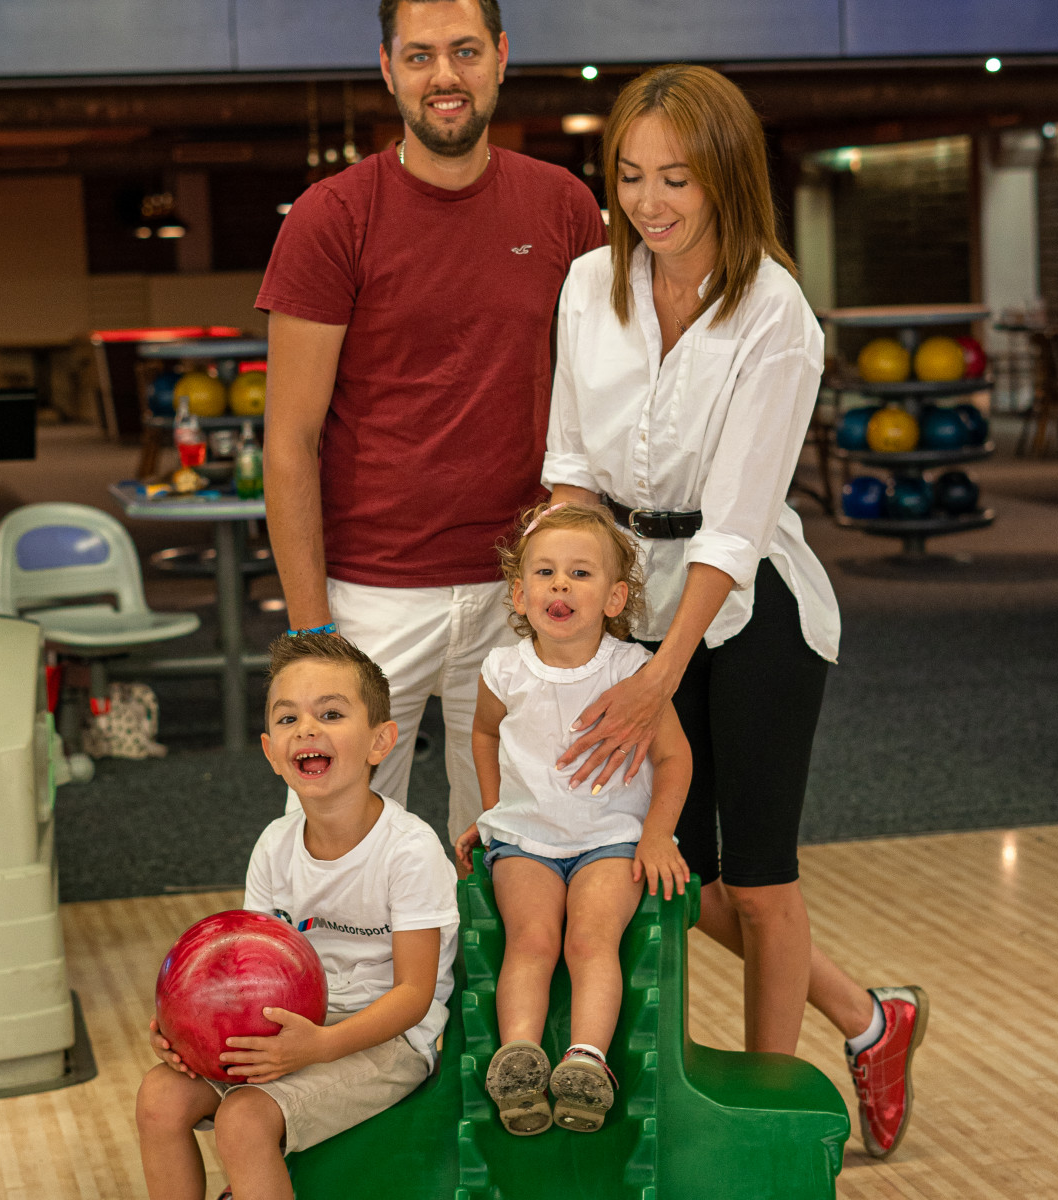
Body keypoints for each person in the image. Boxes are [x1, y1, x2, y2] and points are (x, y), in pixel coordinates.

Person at [541, 64, 927, 1159]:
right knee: (664, 869)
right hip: (625, 588)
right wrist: (581, 608)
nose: (651, 204)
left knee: (757, 885)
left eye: (678, 178)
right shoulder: (585, 284)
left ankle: (771, 1127)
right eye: (630, 177)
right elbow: (570, 461)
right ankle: (868, 1016)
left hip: (749, 607)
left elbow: (735, 529)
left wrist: (656, 671)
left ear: (727, 180)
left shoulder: (776, 315)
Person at [258, 0, 606, 845]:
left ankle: (472, 986)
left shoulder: (563, 208)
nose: (443, 76)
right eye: (420, 57)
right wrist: (313, 635)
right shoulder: (330, 218)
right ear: (387, 68)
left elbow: (594, 399)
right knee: (340, 844)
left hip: (517, 589)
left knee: (506, 840)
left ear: (500, 57)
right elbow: (288, 441)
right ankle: (355, 987)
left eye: (463, 52)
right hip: (373, 594)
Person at [135, 634, 459, 1200]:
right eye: (288, 718)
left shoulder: (410, 849)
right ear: (269, 750)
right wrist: (189, 1035)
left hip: (389, 1042)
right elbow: (244, 974)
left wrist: (318, 1047)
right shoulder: (274, 845)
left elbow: (414, 994)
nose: (307, 728)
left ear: (381, 741)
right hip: (290, 1032)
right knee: (159, 1098)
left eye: (330, 713)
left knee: (243, 1120)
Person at [453, 501, 691, 1136]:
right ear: (520, 591)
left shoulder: (633, 670)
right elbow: (484, 735)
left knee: (590, 940)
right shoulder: (502, 670)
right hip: (526, 841)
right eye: (546, 572)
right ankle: (520, 1060)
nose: (560, 584)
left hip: (611, 839)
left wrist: (657, 832)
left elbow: (674, 757)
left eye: (581, 574)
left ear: (615, 598)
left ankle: (586, 1061)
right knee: (530, 941)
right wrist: (493, 811)